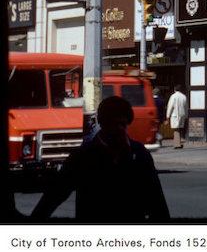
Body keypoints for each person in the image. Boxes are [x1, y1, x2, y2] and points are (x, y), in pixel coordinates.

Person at [30, 95, 169, 223]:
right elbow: (54, 196)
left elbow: (156, 200)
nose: (120, 129)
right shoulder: (81, 157)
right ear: (103, 124)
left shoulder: (140, 154)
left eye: (123, 124)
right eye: (114, 124)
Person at [165, 84, 188, 149]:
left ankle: (177, 144)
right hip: (182, 114)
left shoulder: (173, 96)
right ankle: (180, 141)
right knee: (180, 128)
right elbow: (186, 107)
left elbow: (170, 106)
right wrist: (186, 115)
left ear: (175, 89)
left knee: (176, 129)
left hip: (175, 114)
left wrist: (167, 116)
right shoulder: (184, 96)